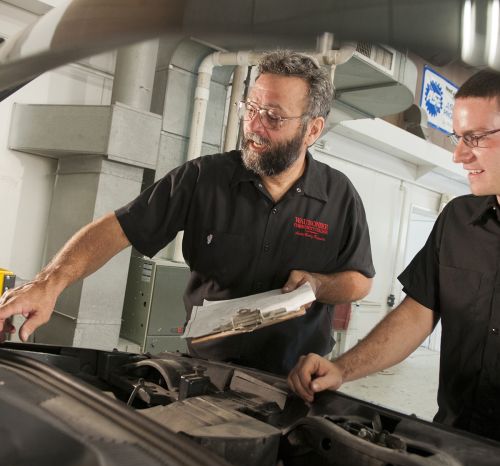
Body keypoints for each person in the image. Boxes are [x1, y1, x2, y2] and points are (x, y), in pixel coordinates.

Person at [0, 50, 374, 375]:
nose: (254, 127)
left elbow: (360, 280)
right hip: (207, 370)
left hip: (295, 377)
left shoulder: (340, 197)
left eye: (273, 117)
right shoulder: (203, 178)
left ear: (312, 130)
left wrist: (320, 285)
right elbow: (117, 229)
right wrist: (49, 284)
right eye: (251, 109)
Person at [288, 68, 500, 440]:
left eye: (476, 138)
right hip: (456, 443)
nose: (459, 155)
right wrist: (342, 368)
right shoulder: (457, 220)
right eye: (458, 137)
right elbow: (418, 313)